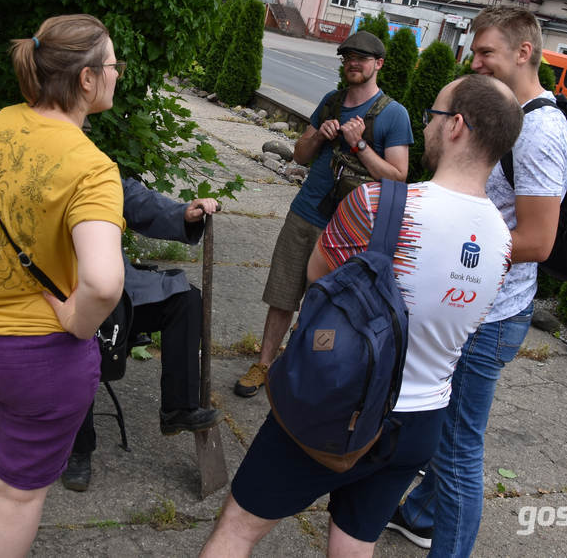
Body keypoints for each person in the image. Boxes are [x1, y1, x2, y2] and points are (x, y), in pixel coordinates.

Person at [201, 74, 523, 557]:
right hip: (420, 422)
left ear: (456, 126)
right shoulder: (503, 241)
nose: (427, 126)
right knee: (353, 544)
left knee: (238, 528)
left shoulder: (378, 206)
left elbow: (317, 279)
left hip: (338, 406)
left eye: (433, 116)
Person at [0, 14, 126, 558]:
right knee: (15, 496)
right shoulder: (91, 167)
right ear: (86, 79)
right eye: (113, 65)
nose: (117, 75)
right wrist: (75, 321)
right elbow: (104, 283)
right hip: (39, 358)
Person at [388, 6, 567, 556]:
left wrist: (447, 252)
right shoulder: (510, 115)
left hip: (490, 314)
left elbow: (538, 241)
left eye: (486, 52)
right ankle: (419, 512)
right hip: (473, 301)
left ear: (524, 52)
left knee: (457, 450)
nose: (476, 63)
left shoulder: (538, 132)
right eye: (473, 53)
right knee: (439, 426)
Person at [234, 30, 413, 398]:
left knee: (330, 304)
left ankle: (304, 371)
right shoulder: (332, 102)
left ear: (378, 64)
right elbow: (299, 155)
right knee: (282, 293)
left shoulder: (394, 114)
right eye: (348, 57)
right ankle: (264, 365)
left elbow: (398, 177)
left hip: (351, 227)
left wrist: (359, 144)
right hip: (306, 212)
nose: (353, 64)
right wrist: (319, 136)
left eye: (361, 59)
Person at [60, 177, 222, 492]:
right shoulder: (38, 175)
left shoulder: (94, 170)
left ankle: (178, 408)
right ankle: (78, 450)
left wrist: (184, 213)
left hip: (120, 293)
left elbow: (137, 199)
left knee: (186, 300)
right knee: (78, 342)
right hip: (66, 295)